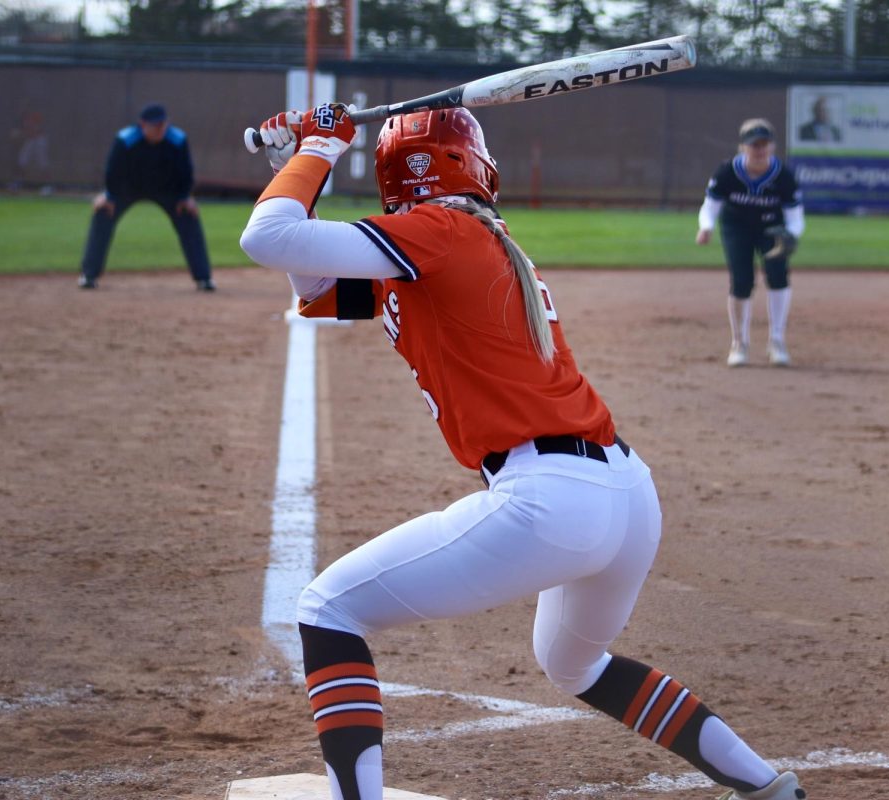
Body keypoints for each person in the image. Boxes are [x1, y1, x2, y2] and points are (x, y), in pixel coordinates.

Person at [239, 104, 809, 800]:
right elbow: (315, 280)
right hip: (626, 494)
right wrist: (296, 166)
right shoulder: (463, 238)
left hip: (550, 498)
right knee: (575, 665)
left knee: (329, 610)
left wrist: (323, 145)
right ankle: (768, 786)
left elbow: (267, 237)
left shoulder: (439, 233)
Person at [696, 119, 805, 368]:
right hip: (737, 228)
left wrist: (791, 235)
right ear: (743, 147)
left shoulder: (784, 176)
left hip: (772, 229)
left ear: (772, 146)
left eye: (764, 144)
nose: (759, 149)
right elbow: (710, 207)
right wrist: (706, 227)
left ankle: (777, 342)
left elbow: (795, 217)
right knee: (742, 281)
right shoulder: (727, 172)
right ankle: (739, 344)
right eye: (754, 144)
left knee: (778, 276)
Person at [78, 103, 214, 290]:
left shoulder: (178, 139)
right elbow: (113, 171)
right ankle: (89, 275)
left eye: (163, 124)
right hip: (128, 189)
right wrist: (108, 197)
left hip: (168, 191)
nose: (160, 129)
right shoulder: (125, 139)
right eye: (155, 125)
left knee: (189, 214)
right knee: (102, 212)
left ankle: (203, 278)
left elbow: (186, 172)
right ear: (142, 124)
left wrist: (185, 197)